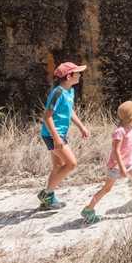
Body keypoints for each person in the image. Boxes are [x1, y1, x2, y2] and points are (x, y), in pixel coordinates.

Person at [80, 100, 132, 224]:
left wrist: (127, 164)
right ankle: (88, 210)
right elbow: (116, 151)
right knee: (106, 189)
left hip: (130, 162)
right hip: (116, 166)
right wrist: (122, 168)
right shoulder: (119, 131)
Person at [38, 62, 90, 210]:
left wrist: (81, 127)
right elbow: (47, 116)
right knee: (71, 164)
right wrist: (56, 137)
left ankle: (48, 199)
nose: (80, 75)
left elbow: (70, 111)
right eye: (77, 73)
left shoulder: (70, 91)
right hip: (52, 135)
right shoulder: (58, 92)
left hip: (58, 134)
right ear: (69, 76)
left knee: (58, 166)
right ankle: (47, 194)